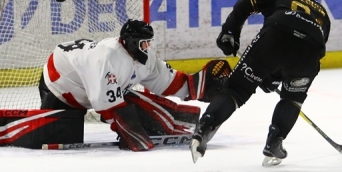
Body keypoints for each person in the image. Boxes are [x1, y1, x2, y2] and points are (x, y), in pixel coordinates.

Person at [189, 0, 331, 167]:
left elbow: (247, 1)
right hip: (309, 54)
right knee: (292, 98)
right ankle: (275, 141)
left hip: (276, 34)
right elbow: (312, 49)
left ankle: (204, 129)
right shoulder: (323, 14)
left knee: (236, 89)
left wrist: (230, 32)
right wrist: (275, 76)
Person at [40, 19, 230, 152]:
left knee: (134, 104)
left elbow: (167, 81)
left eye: (149, 43)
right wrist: (128, 130)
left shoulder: (145, 58)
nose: (147, 47)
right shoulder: (108, 57)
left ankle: (182, 121)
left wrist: (195, 88)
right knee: (55, 137)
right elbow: (105, 105)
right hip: (59, 85)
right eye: (143, 43)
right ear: (130, 42)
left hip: (85, 86)